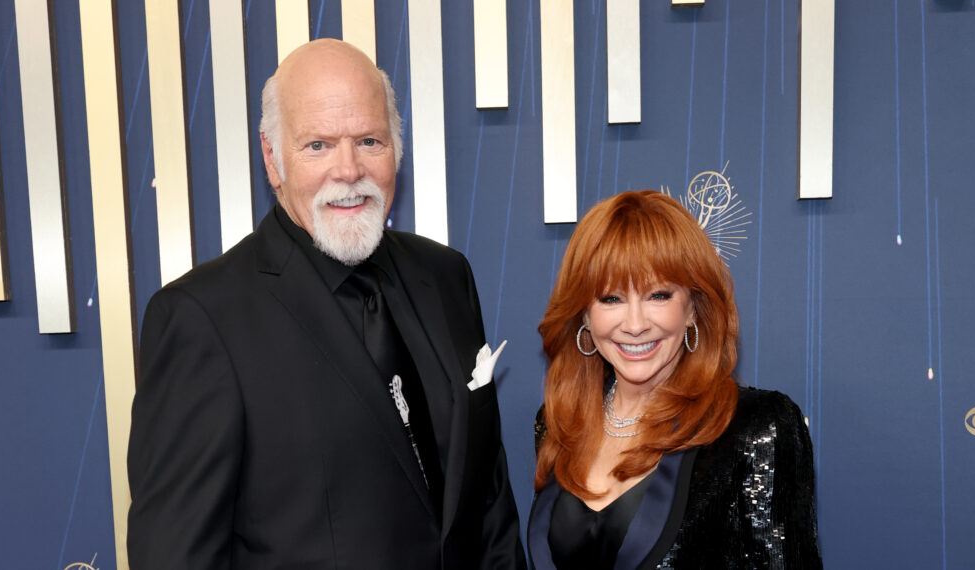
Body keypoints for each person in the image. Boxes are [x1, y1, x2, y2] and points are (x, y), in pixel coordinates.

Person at [127, 39, 526, 569]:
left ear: (396, 149)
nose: (348, 169)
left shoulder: (447, 277)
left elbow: (489, 506)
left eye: (369, 140)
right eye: (318, 145)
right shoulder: (203, 320)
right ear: (273, 160)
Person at [529, 191, 821, 569]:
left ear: (693, 308)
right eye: (611, 299)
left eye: (658, 295)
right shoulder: (557, 424)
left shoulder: (756, 427)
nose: (634, 325)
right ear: (583, 314)